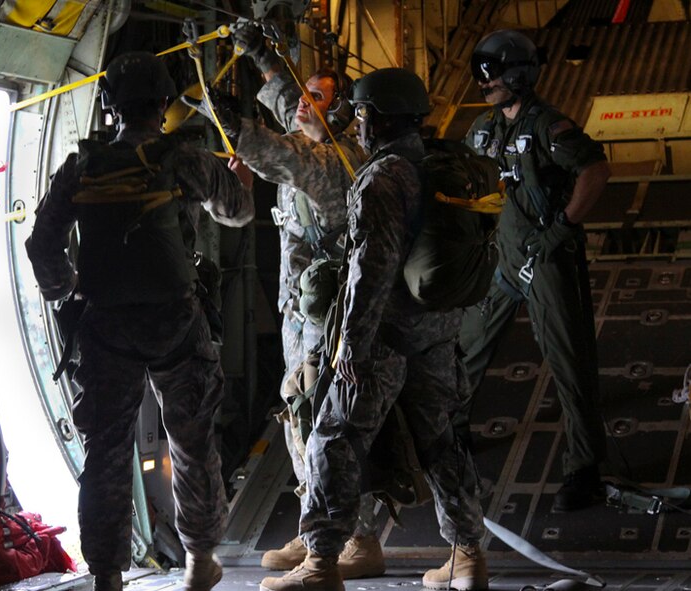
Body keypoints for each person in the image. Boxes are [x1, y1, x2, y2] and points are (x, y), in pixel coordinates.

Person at [24, 51, 254, 591]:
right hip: (176, 321)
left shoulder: (82, 166)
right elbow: (239, 211)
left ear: (111, 105)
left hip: (106, 326)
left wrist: (67, 288)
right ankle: (200, 562)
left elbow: (42, 244)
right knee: (193, 440)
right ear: (164, 104)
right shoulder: (184, 159)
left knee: (105, 449)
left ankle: (106, 573)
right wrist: (235, 183)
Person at [260, 68, 488, 591]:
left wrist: (351, 346)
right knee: (442, 443)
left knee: (332, 440)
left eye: (362, 112)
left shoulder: (383, 176)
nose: (358, 123)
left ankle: (321, 562)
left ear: (378, 117)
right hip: (437, 331)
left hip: (384, 337)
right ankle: (468, 557)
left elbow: (370, 271)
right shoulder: (439, 165)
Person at [185, 22, 385, 578]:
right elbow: (283, 99)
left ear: (340, 112)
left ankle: (359, 538)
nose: (300, 103)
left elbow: (267, 146)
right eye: (303, 94)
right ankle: (314, 526)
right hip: (301, 311)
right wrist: (258, 52)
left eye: (316, 97)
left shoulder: (328, 161)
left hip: (331, 314)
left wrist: (214, 103)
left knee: (329, 424)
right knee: (299, 417)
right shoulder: (313, 136)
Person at [460, 29, 611, 512]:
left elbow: (595, 171)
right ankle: (448, 440)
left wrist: (563, 227)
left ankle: (583, 469)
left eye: (495, 75)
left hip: (546, 259)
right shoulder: (483, 130)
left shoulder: (549, 126)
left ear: (519, 75)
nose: (486, 84)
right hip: (501, 261)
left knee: (570, 366)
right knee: (465, 352)